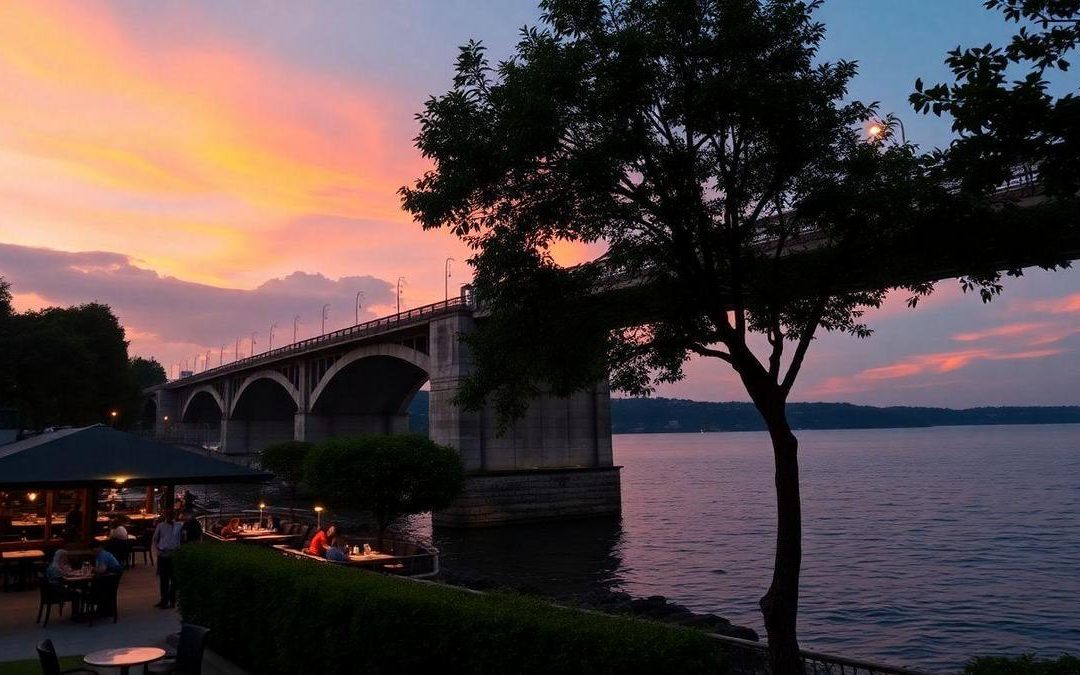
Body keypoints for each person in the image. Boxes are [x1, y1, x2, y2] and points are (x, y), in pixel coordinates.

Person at [151, 508, 183, 608]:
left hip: (174, 554)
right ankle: (164, 600)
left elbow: (182, 539)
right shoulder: (161, 526)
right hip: (163, 554)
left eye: (172, 516)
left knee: (173, 579)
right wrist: (158, 549)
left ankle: (172, 600)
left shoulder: (179, 526)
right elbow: (155, 539)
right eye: (169, 516)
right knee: (164, 579)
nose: (170, 518)